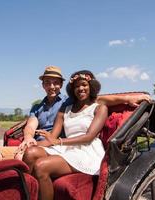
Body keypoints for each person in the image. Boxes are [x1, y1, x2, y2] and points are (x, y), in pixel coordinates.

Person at [0, 66, 150, 163]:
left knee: (23, 157)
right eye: (48, 83)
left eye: (55, 83)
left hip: (54, 146)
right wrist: (27, 138)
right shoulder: (38, 107)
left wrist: (127, 98)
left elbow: (96, 98)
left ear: (61, 85)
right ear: (43, 86)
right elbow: (31, 124)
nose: (51, 86)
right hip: (34, 144)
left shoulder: (67, 102)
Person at [23, 70, 107, 200]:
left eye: (84, 85)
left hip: (86, 150)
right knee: (30, 153)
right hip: (66, 147)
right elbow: (53, 138)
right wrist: (31, 143)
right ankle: (27, 195)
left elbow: (89, 137)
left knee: (41, 166)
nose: (80, 88)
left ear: (91, 87)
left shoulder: (99, 108)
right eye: (76, 86)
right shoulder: (65, 109)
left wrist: (60, 142)